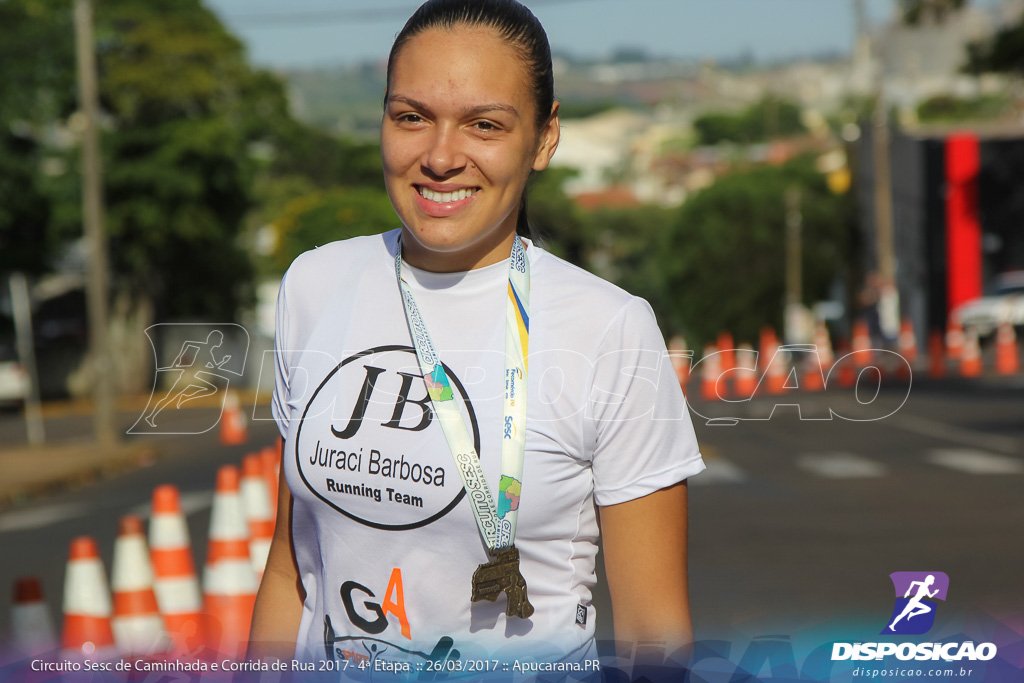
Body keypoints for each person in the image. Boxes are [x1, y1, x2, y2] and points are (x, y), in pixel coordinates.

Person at [250, 0, 705, 671]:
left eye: (484, 125)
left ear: (545, 138)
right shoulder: (315, 285)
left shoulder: (609, 328)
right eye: (411, 117)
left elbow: (653, 631)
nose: (439, 156)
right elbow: (291, 573)